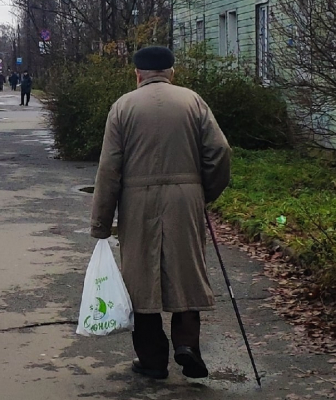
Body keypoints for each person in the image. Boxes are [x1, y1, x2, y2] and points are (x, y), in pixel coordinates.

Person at [90, 46, 232, 380]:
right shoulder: (192, 101)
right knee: (186, 271)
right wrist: (203, 191)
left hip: (137, 200)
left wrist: (101, 223)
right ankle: (188, 346)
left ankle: (153, 360)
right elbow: (220, 151)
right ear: (172, 72)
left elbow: (109, 168)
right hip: (186, 197)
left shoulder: (123, 107)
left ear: (137, 74)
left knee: (141, 280)